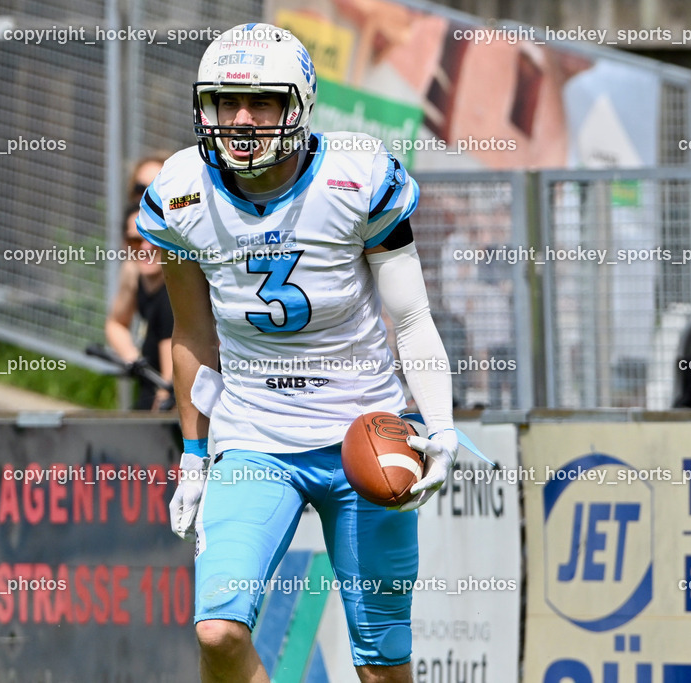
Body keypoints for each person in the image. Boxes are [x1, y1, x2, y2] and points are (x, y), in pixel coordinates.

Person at [138, 24, 458, 683]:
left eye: (263, 102)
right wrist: (194, 456)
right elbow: (193, 334)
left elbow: (413, 316)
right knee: (219, 631)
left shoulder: (356, 177)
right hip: (254, 436)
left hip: (361, 432)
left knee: (383, 668)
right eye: (228, 103)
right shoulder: (181, 193)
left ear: (300, 105)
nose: (244, 119)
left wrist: (442, 425)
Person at [105, 204, 174, 410]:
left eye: (154, 238)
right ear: (125, 244)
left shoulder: (173, 295)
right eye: (135, 240)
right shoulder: (133, 273)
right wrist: (134, 359)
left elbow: (171, 382)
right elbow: (115, 323)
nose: (146, 247)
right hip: (150, 387)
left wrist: (161, 405)